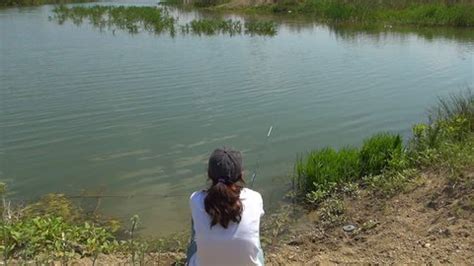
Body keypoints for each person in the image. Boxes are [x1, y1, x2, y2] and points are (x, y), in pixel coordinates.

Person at [186, 148, 265, 266]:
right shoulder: (255, 197)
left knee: (194, 237)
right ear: (240, 174)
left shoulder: (195, 199)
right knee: (257, 245)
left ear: (209, 173)